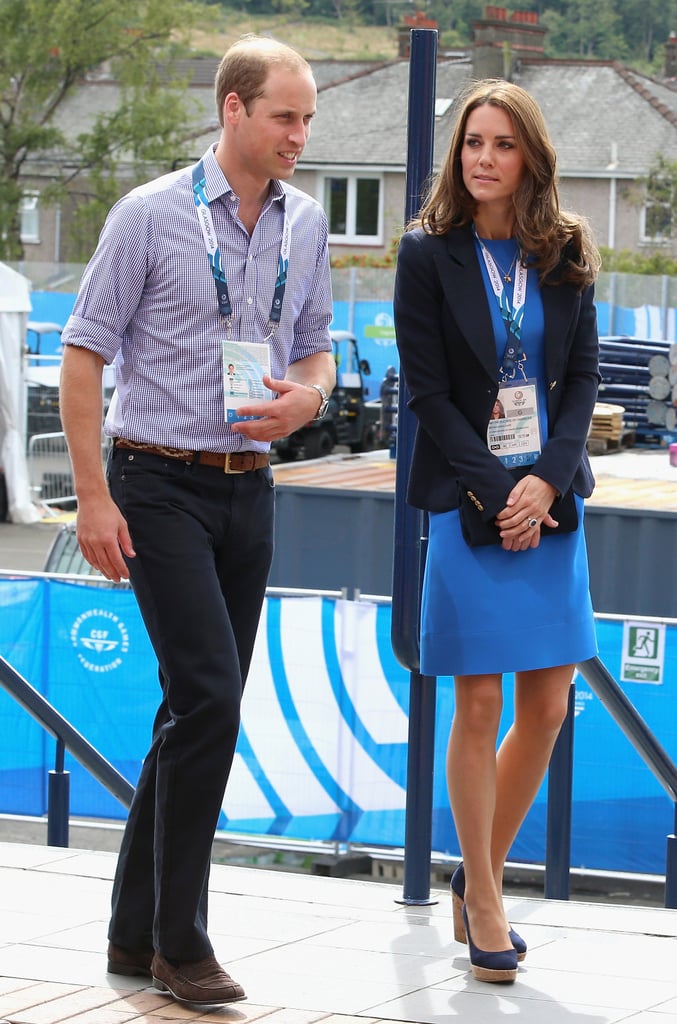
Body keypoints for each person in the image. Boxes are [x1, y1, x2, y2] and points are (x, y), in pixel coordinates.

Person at [59, 34, 335, 1007]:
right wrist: (92, 496)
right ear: (231, 110)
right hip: (156, 482)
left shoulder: (305, 226)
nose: (300, 135)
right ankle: (182, 941)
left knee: (190, 706)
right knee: (211, 697)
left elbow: (314, 354)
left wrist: (306, 400)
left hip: (248, 487)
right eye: (284, 117)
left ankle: (134, 935)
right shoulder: (147, 216)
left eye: (306, 118)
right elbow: (84, 356)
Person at [393, 79, 600, 985]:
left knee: (547, 707)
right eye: (471, 142)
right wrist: (497, 494)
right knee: (476, 704)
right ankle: (484, 896)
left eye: (501, 144)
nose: (482, 158)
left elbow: (583, 383)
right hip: (469, 499)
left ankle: (477, 869)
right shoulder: (425, 255)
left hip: (550, 499)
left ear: (531, 157)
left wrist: (544, 481)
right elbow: (427, 397)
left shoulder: (565, 253)